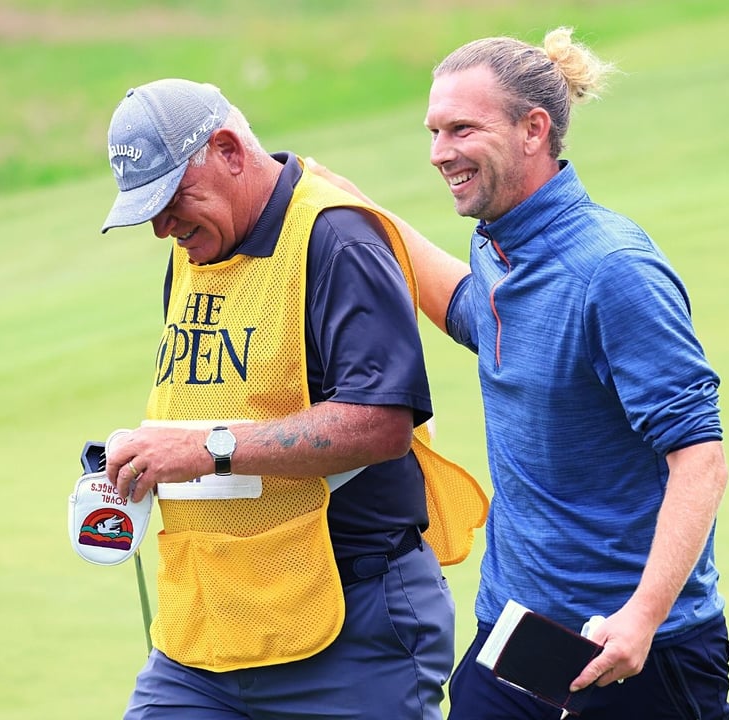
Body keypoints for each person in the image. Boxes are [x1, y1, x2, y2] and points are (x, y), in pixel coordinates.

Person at [309, 26, 729, 719]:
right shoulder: (499, 245)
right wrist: (362, 212)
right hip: (515, 632)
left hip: (635, 651)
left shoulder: (613, 270)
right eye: (434, 131)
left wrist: (643, 616)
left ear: (533, 129)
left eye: (461, 130)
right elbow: (473, 311)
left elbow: (700, 459)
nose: (439, 152)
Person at [95, 78, 485, 720]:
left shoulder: (338, 240)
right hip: (208, 628)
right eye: (148, 209)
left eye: (171, 198)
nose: (163, 227)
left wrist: (205, 450)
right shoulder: (198, 245)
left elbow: (380, 423)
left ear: (228, 150)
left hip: (352, 632)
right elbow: (212, 401)